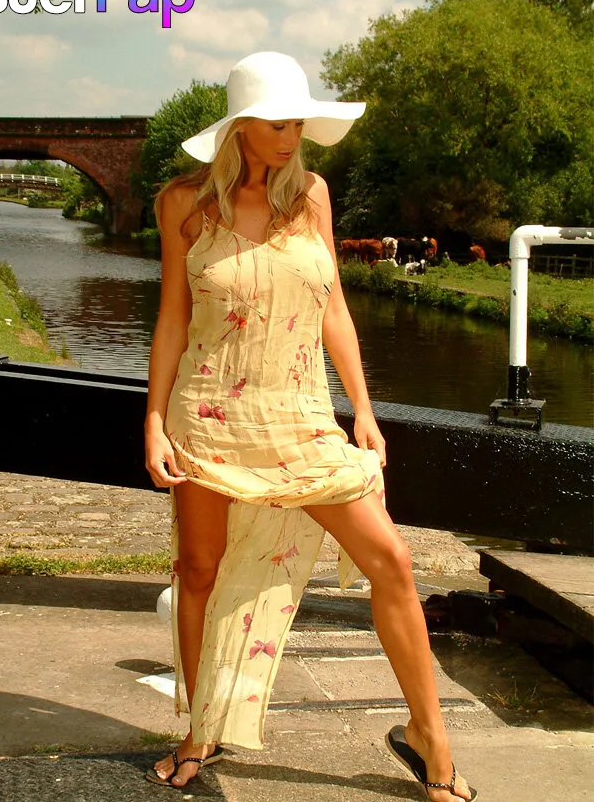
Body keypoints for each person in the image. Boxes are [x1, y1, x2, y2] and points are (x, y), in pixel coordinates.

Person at [143, 52, 477, 801]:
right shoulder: (183, 204)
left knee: (391, 559)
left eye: (299, 123)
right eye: (277, 124)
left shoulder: (313, 196)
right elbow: (171, 317)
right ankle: (200, 731)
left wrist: (363, 408)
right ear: (239, 128)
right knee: (198, 570)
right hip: (209, 415)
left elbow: (333, 310)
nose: (292, 137)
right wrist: (155, 421)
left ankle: (430, 735)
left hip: (300, 418)